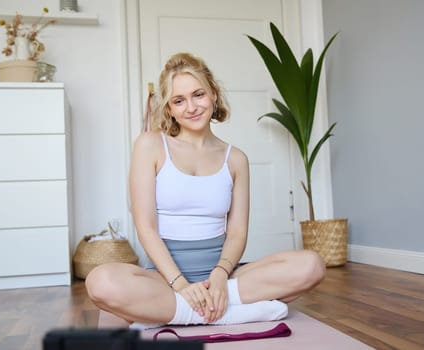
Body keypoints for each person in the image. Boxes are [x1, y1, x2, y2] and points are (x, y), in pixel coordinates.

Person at [86, 52, 325, 329]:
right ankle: (218, 313)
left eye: (198, 94)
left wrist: (221, 277)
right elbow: (146, 228)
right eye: (179, 100)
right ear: (169, 108)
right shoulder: (150, 145)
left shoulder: (236, 159)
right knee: (100, 282)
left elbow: (236, 233)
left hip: (223, 277)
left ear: (213, 93)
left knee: (312, 265)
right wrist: (182, 285)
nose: (191, 107)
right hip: (165, 280)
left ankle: (179, 312)